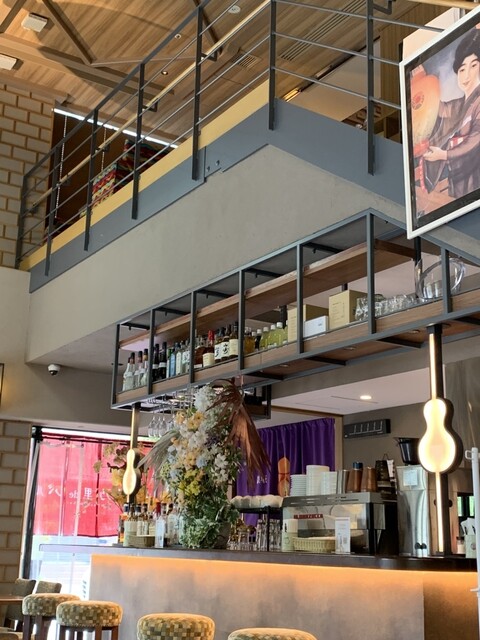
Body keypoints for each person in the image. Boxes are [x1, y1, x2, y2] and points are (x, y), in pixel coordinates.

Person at [423, 28, 480, 199]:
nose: (466, 75)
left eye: (473, 65)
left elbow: (475, 139)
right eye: (462, 69)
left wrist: (444, 154)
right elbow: (440, 109)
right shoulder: (460, 105)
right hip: (458, 179)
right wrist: (422, 84)